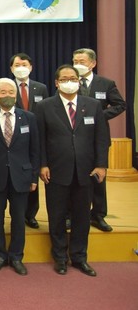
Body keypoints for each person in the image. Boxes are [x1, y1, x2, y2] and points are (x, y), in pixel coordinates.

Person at [37, 65, 109, 277]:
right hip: (56, 171)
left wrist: (101, 164)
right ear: (56, 83)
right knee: (57, 216)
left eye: (73, 78)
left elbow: (101, 138)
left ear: (79, 81)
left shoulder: (93, 105)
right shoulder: (44, 106)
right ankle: (60, 257)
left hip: (86, 171)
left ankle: (79, 257)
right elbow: (40, 139)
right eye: (64, 79)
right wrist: (42, 164)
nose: (69, 82)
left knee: (82, 217)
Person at [0, 78, 40, 276]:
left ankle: (16, 256)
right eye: (3, 92)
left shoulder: (29, 117)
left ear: (16, 95)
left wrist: (34, 178)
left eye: (11, 92)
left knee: (18, 219)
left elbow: (35, 150)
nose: (7, 95)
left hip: (21, 176)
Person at [72, 48, 126, 233]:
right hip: (73, 136)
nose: (78, 64)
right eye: (75, 61)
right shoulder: (69, 82)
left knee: (98, 177)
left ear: (93, 63)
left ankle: (98, 215)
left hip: (97, 136)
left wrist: (100, 116)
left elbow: (120, 105)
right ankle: (72, 215)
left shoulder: (106, 83)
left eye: (82, 61)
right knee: (73, 176)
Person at [8, 53, 48, 229]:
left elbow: (45, 112)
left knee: (32, 175)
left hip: (35, 136)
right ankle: (17, 213)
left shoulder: (41, 88)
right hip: (13, 138)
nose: (21, 68)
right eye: (17, 65)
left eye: (24, 65)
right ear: (11, 69)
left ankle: (31, 214)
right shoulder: (7, 87)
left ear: (31, 67)